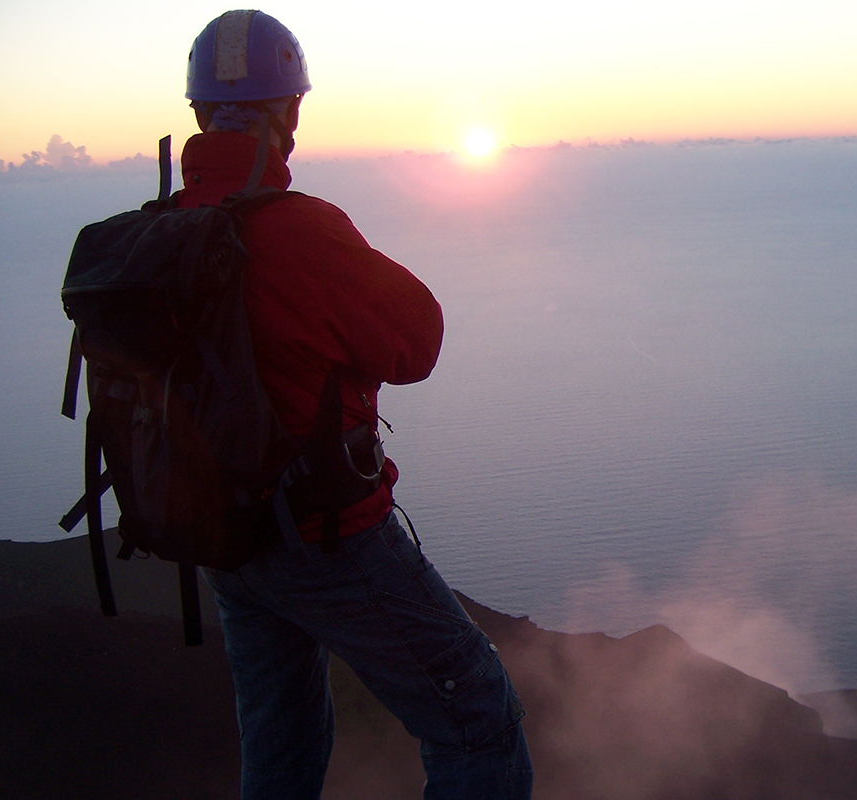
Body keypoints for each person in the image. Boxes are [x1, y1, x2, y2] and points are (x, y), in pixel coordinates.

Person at [179, 10, 532, 799]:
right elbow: (416, 342)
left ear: (198, 113)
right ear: (289, 111)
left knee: (280, 743)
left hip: (225, 541)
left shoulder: (166, 231)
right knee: (477, 716)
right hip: (324, 537)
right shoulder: (302, 232)